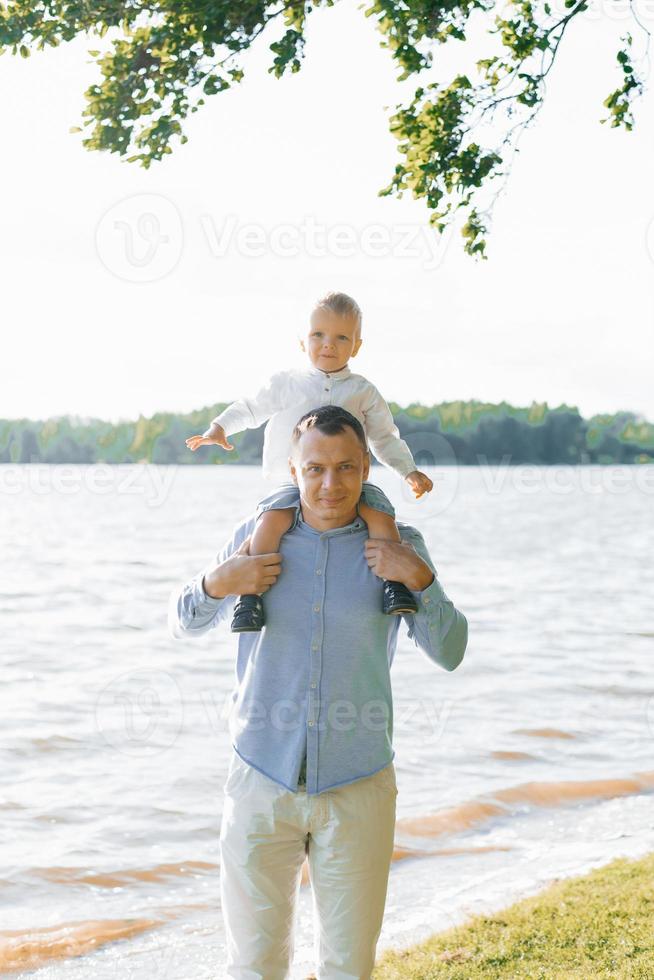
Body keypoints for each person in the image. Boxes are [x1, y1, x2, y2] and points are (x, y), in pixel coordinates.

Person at [169, 405, 468, 980]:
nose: (331, 484)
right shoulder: (252, 539)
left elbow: (450, 651)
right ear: (293, 469)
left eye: (347, 468)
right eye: (316, 469)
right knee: (252, 968)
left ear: (366, 470)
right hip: (260, 780)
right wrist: (217, 582)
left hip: (358, 786)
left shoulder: (402, 546)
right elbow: (183, 620)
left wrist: (420, 578)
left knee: (347, 967)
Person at [185, 291, 434, 632]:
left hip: (350, 486)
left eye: (341, 337)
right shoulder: (287, 383)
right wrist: (219, 427)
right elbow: (251, 407)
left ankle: (394, 585)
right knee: (270, 523)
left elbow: (384, 437)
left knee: (380, 512)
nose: (328, 344)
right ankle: (249, 598)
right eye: (318, 335)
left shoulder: (363, 391)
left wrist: (408, 472)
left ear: (356, 347)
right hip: (290, 484)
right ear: (302, 341)